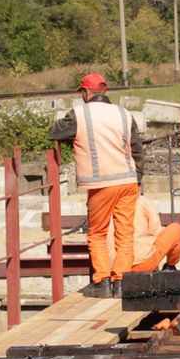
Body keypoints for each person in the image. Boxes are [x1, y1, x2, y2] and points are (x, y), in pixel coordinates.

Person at [50, 72, 143, 298]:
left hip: (101, 183)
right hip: (128, 180)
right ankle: (121, 281)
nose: (82, 95)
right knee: (124, 233)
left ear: (88, 92)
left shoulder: (79, 114)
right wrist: (138, 178)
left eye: (82, 91)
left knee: (97, 233)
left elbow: (55, 131)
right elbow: (138, 148)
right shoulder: (124, 113)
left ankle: (102, 282)